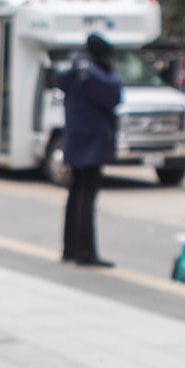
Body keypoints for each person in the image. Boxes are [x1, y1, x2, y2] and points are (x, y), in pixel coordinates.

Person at [54, 33, 124, 267]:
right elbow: (114, 94)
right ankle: (86, 252)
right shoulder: (93, 74)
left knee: (76, 194)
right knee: (86, 196)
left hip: (77, 140)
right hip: (92, 142)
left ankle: (70, 248)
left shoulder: (74, 68)